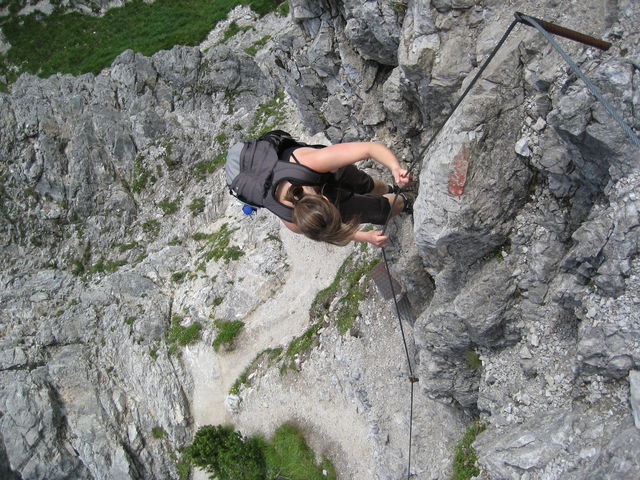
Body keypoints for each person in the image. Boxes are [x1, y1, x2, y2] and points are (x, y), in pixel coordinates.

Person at [272, 141, 413, 247]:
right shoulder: (297, 222)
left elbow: (369, 148)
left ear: (326, 199)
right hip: (315, 181)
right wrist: (366, 236)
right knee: (379, 211)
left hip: (325, 170)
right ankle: (405, 200)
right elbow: (328, 230)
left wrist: (395, 167)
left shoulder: (314, 161)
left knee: (364, 184)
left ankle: (389, 190)